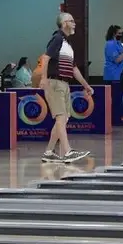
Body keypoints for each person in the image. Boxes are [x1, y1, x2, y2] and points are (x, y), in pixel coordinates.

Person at [39, 13, 92, 163]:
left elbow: (74, 68)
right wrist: (44, 79)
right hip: (55, 83)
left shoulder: (66, 44)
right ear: (63, 24)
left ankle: (49, 152)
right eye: (71, 21)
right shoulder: (57, 38)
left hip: (64, 83)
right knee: (61, 118)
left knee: (63, 119)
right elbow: (46, 58)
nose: (74, 23)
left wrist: (86, 85)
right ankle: (68, 152)